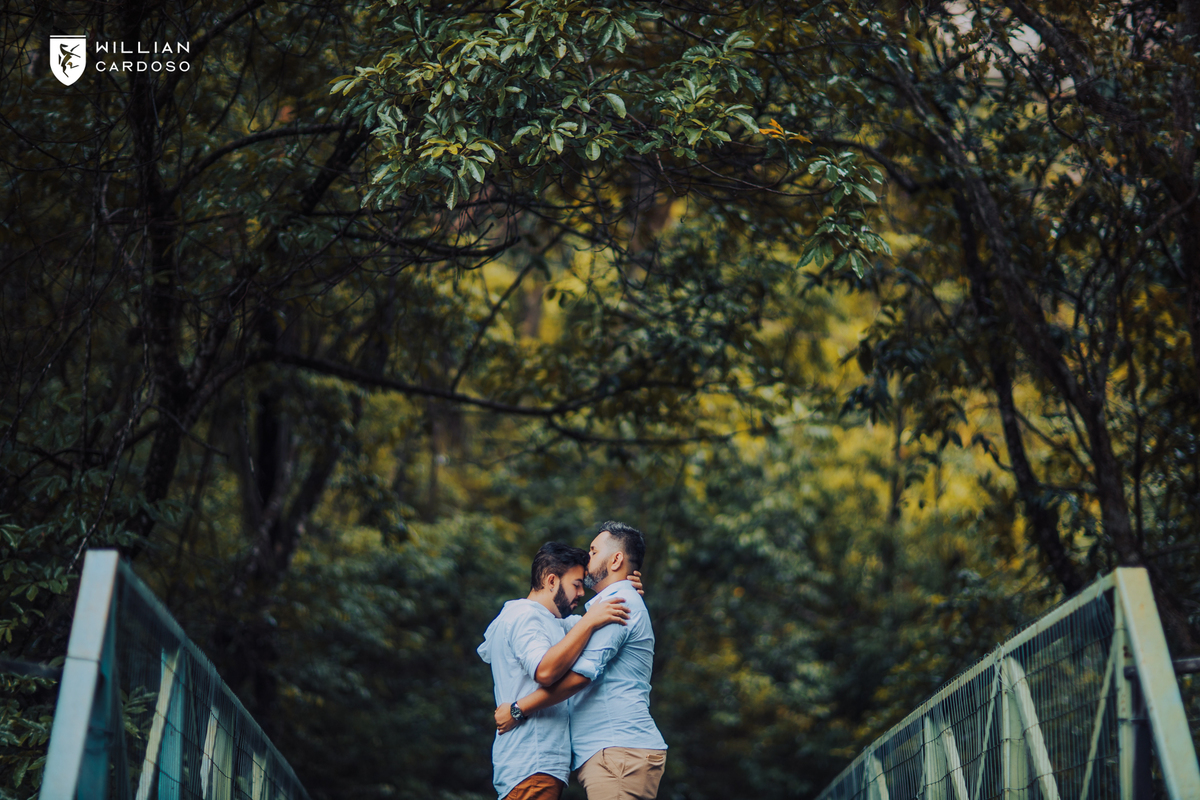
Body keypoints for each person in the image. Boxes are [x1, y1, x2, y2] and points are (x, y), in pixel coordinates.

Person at [496, 522, 668, 800]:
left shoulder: (619, 604)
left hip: (619, 750)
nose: (588, 559)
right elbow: (570, 632)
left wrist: (518, 709)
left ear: (616, 560)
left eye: (593, 550)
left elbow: (581, 676)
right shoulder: (605, 607)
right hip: (614, 753)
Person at [478, 541, 633, 800]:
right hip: (531, 764)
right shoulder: (525, 617)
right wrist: (591, 621)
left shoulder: (552, 622)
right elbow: (545, 671)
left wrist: (625, 588)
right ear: (551, 581)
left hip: (536, 766)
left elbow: (591, 622)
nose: (582, 593)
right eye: (576, 584)